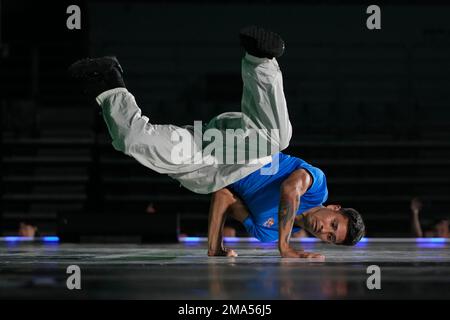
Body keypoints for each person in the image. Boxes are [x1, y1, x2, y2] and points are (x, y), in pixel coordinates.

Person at [69, 26, 365, 259]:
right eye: (333, 225)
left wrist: (215, 246)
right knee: (278, 137)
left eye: (329, 238)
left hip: (210, 160)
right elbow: (290, 189)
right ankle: (260, 59)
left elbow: (224, 197)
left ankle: (107, 81)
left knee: (132, 141)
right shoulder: (318, 187)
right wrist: (285, 247)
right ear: (335, 208)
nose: (323, 230)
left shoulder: (265, 233)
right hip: (250, 148)